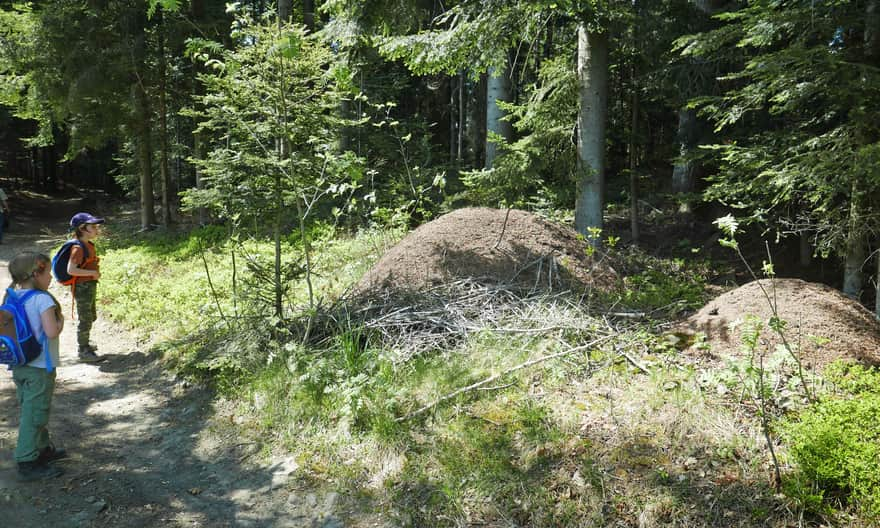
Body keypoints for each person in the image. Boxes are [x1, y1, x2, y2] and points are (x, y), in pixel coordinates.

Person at [8, 252, 67, 481]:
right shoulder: (42, 299)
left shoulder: (11, 295)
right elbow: (51, 332)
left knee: (32, 408)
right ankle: (27, 460)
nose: (51, 277)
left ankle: (43, 449)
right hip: (40, 367)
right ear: (36, 274)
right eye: (48, 272)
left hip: (20, 364)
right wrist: (60, 322)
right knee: (35, 414)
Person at [66, 212, 105, 363]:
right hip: (82, 287)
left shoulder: (87, 245)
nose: (97, 229)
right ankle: (83, 350)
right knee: (86, 319)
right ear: (82, 229)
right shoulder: (78, 248)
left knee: (91, 316)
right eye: (93, 226)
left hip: (89, 285)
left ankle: (85, 344)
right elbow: (71, 270)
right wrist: (92, 273)